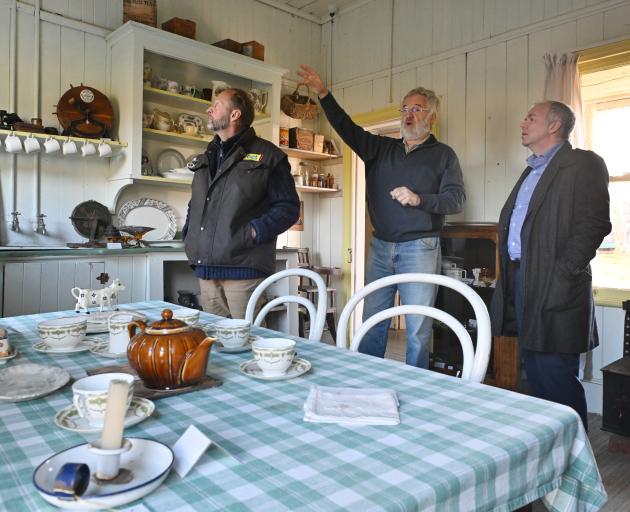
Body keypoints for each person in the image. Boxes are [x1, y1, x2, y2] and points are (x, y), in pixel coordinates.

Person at [297, 64, 465, 368]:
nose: (408, 115)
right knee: (372, 320)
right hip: (381, 248)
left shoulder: (444, 156)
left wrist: (418, 199)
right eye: (405, 109)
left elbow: (456, 200)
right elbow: (346, 127)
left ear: (431, 118)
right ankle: (367, 380)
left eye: (417, 109)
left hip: (421, 247)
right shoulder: (380, 149)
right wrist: (323, 93)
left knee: (417, 327)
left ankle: (416, 387)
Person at [491, 101, 611, 431]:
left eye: (531, 117)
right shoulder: (531, 170)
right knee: (533, 376)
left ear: (554, 126)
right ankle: (546, 456)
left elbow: (594, 224)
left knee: (556, 376)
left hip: (555, 282)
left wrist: (561, 273)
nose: (523, 122)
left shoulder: (583, 163)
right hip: (521, 279)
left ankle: (575, 461)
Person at [183, 88, 300, 319]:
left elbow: (288, 208)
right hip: (206, 269)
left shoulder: (269, 156)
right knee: (216, 340)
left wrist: (253, 232)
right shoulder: (207, 156)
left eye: (216, 105)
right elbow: (195, 203)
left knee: (250, 340)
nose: (209, 110)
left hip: (244, 267)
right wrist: (189, 233)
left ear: (235, 114)